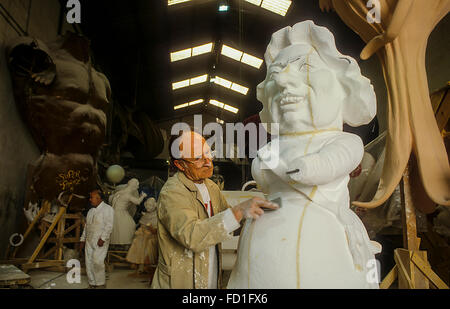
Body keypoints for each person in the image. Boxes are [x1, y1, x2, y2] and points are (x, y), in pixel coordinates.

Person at [151, 131, 278, 289]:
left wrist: (256, 215)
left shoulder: (211, 187)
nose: (208, 162)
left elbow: (228, 223)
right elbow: (193, 236)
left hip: (209, 276)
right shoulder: (172, 192)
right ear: (180, 164)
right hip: (181, 282)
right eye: (198, 158)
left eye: (207, 152)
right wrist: (239, 211)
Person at [80, 189, 114, 289]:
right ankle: (92, 284)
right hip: (89, 240)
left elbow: (109, 225)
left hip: (100, 240)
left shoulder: (108, 209)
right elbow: (87, 227)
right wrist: (82, 239)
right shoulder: (90, 211)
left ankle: (100, 284)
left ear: (99, 198)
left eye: (92, 197)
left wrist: (103, 238)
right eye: (90, 197)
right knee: (88, 261)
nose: (90, 199)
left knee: (97, 262)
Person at [109, 178, 147, 246]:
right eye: (137, 186)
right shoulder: (128, 195)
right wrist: (143, 196)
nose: (137, 188)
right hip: (121, 213)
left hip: (115, 212)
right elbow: (137, 202)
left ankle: (119, 243)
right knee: (130, 225)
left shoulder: (120, 192)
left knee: (119, 229)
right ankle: (123, 242)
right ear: (133, 186)